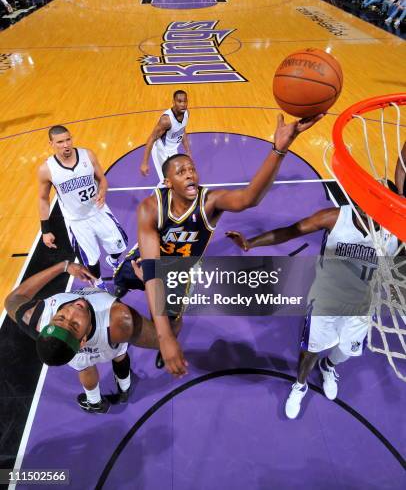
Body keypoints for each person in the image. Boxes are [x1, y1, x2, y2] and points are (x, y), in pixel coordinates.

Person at [117, 113, 323, 378]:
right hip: (149, 260)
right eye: (181, 172)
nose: (190, 175)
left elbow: (249, 199)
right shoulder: (151, 207)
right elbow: (152, 269)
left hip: (180, 271)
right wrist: (162, 330)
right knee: (124, 281)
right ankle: (126, 292)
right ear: (168, 183)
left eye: (192, 169)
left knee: (173, 320)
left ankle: (162, 346)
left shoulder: (210, 202)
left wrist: (279, 149)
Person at [226, 202, 398, 419]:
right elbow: (292, 230)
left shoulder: (395, 232)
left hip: (361, 305)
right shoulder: (334, 218)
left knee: (347, 350)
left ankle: (328, 366)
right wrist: (250, 243)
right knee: (310, 351)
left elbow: (391, 269)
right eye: (366, 203)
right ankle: (300, 385)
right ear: (358, 203)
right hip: (326, 300)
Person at [5, 260, 160, 414]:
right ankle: (125, 389)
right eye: (74, 325)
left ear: (45, 328)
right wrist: (152, 283)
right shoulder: (118, 320)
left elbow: (11, 300)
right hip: (109, 337)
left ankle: (95, 402)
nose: (71, 311)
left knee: (85, 367)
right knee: (119, 355)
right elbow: (161, 339)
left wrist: (63, 266)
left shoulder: (35, 320)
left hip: (72, 352)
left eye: (60, 318)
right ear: (83, 341)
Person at [38, 125, 128, 282]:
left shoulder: (87, 155)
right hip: (77, 221)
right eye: (60, 142)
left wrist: (103, 191)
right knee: (91, 260)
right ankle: (99, 283)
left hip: (98, 211)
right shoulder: (46, 169)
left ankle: (113, 260)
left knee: (121, 245)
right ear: (51, 143)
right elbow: (43, 199)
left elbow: (102, 178)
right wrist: (45, 230)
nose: (66, 145)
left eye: (68, 139)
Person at [140, 90, 191, 185]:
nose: (183, 104)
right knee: (168, 181)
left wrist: (188, 151)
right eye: (179, 101)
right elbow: (151, 139)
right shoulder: (166, 120)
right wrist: (144, 163)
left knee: (175, 178)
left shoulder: (186, 113)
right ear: (173, 102)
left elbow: (182, 130)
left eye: (185, 101)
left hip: (172, 150)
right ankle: (159, 198)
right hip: (161, 151)